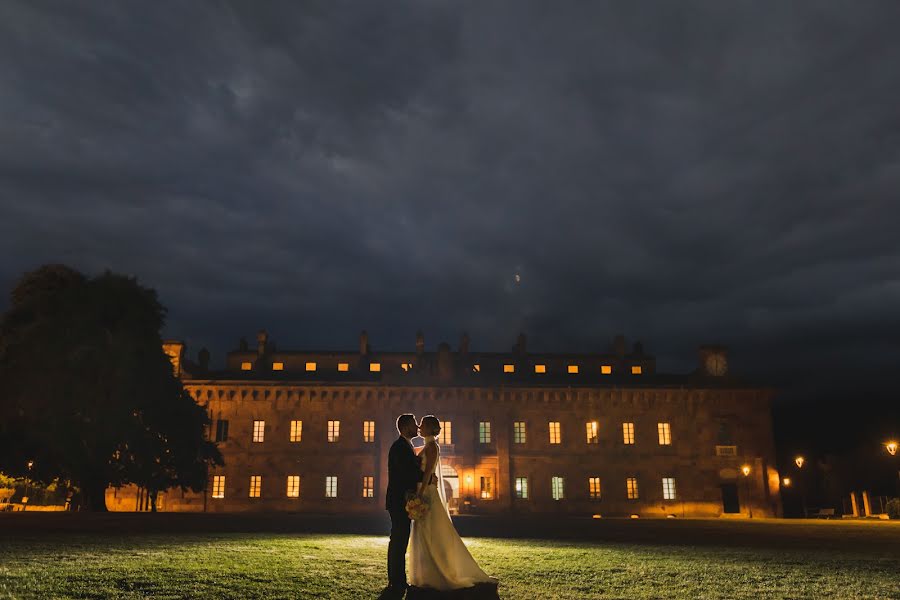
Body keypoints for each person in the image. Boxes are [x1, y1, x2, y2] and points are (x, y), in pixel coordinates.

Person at [408, 415, 497, 593]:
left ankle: (438, 571)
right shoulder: (427, 445)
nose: (419, 426)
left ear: (430, 428)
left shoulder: (432, 446)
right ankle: (426, 573)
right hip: (424, 490)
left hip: (426, 492)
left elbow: (427, 473)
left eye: (423, 424)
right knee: (425, 531)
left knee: (431, 530)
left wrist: (419, 493)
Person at [384, 413, 423, 597]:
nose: (417, 427)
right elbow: (407, 473)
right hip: (399, 501)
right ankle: (396, 580)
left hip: (400, 500)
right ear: (406, 426)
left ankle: (397, 579)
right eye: (414, 424)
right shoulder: (400, 447)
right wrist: (427, 476)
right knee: (399, 541)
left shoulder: (404, 446)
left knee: (399, 540)